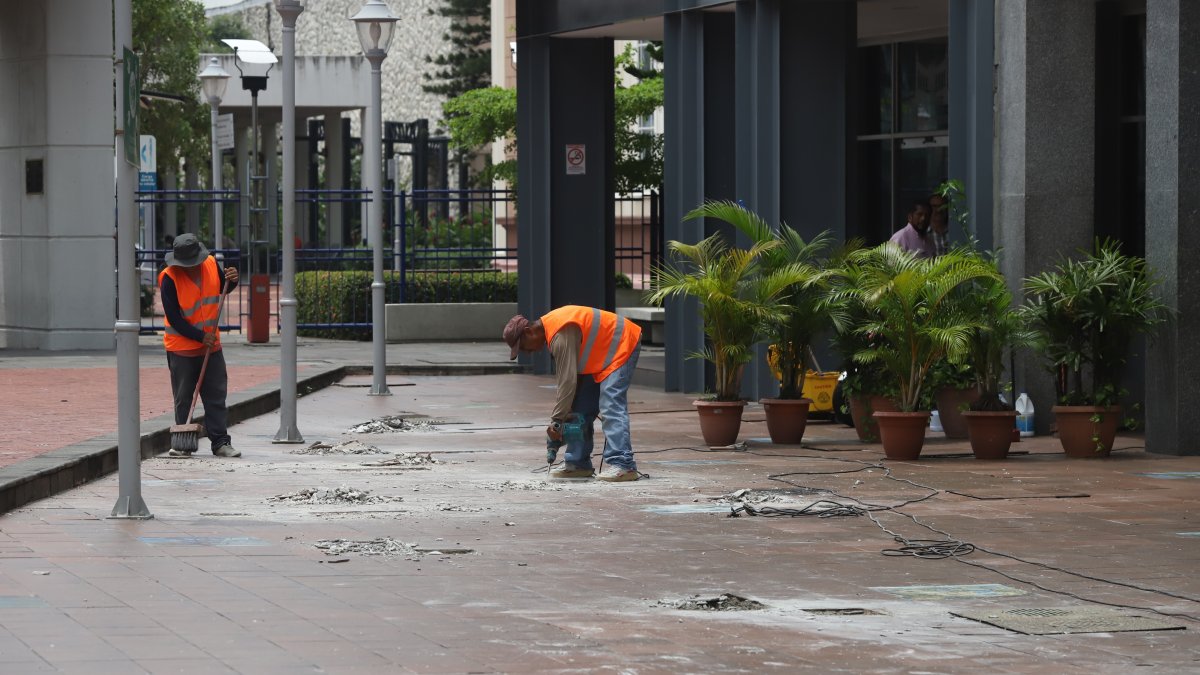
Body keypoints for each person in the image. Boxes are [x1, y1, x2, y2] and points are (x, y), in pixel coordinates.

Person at [504, 306, 642, 482]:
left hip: (622, 343)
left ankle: (624, 464)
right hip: (600, 354)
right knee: (579, 408)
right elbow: (573, 380)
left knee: (611, 403)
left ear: (529, 331)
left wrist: (556, 421)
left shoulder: (560, 334)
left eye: (523, 347)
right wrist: (566, 412)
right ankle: (578, 463)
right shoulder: (553, 330)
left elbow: (567, 382)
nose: (528, 352)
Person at [159, 233, 241, 458]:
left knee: (216, 396)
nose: (191, 268)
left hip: (211, 346)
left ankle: (221, 442)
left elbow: (221, 289)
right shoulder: (169, 278)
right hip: (182, 348)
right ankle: (183, 444)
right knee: (183, 397)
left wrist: (232, 280)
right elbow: (174, 317)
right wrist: (198, 336)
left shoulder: (211, 263)